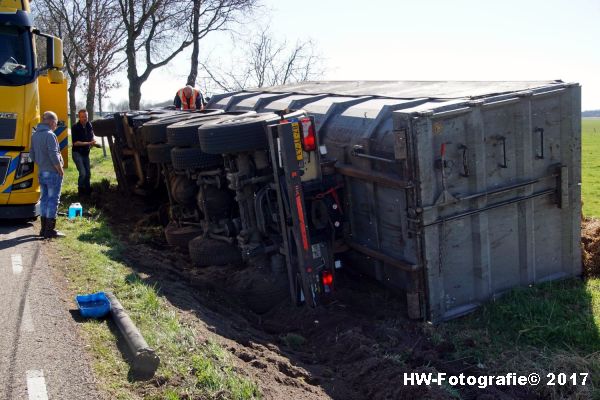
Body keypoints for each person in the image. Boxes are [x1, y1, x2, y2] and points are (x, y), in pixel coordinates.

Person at [30, 111, 65, 239]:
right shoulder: (50, 135)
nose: (56, 126)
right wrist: (60, 170)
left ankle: (43, 229)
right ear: (51, 121)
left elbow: (32, 155)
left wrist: (41, 164)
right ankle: (50, 230)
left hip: (42, 172)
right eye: (55, 123)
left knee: (44, 200)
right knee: (53, 201)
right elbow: (53, 155)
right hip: (52, 172)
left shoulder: (35, 135)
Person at [71, 109, 96, 196]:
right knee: (83, 173)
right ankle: (81, 190)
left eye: (86, 116)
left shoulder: (89, 125)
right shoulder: (75, 127)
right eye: (82, 117)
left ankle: (88, 190)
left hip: (86, 152)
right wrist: (89, 143)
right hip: (77, 153)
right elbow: (76, 143)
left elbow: (91, 136)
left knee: (88, 173)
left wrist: (93, 142)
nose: (84, 118)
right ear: (79, 117)